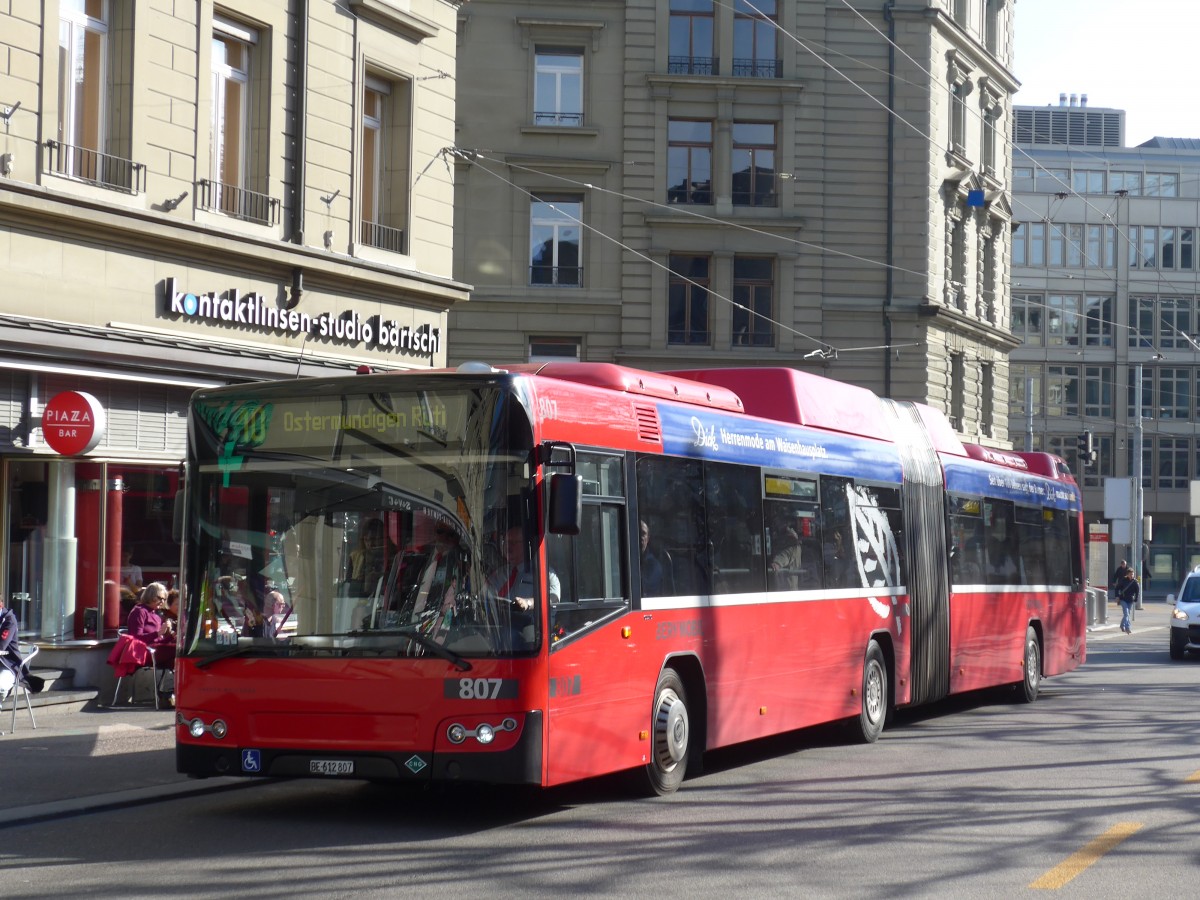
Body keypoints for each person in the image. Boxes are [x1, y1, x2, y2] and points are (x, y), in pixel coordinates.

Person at [491, 524, 560, 612]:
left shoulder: (544, 572)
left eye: (513, 543)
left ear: (526, 545)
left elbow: (553, 598)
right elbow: (485, 593)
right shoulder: (501, 573)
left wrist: (528, 603)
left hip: (531, 623)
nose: (508, 547)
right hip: (498, 622)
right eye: (506, 542)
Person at [126, 582, 176, 669]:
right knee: (179, 651)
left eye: (164, 599)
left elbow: (158, 641)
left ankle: (180, 680)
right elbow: (136, 638)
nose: (162, 602)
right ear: (150, 595)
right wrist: (158, 633)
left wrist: (172, 636)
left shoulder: (156, 616)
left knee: (181, 650)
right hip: (143, 651)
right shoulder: (139, 611)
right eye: (160, 598)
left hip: (154, 649)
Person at [769, 518, 804, 590]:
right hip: (792, 588)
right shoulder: (795, 548)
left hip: (790, 588)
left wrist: (777, 563)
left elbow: (784, 556)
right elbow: (784, 557)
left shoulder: (793, 548)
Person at [0, 593, 19, 701]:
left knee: (1, 687)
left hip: (8, 664)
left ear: (1, 604)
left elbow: (1, 645)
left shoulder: (9, 620)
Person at [639, 520, 666, 596]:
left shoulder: (653, 565)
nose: (640, 537)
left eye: (643, 533)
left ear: (648, 539)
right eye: (637, 533)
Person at [1116, 570, 1140, 634]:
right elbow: (1117, 588)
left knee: (1127, 614)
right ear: (1127, 574)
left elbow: (1137, 591)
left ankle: (1122, 625)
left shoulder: (1135, 582)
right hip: (1123, 599)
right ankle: (1127, 627)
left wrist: (1136, 598)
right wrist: (1117, 596)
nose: (1131, 575)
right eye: (1130, 574)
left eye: (1132, 574)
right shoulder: (1123, 580)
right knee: (1126, 614)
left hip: (1130, 600)